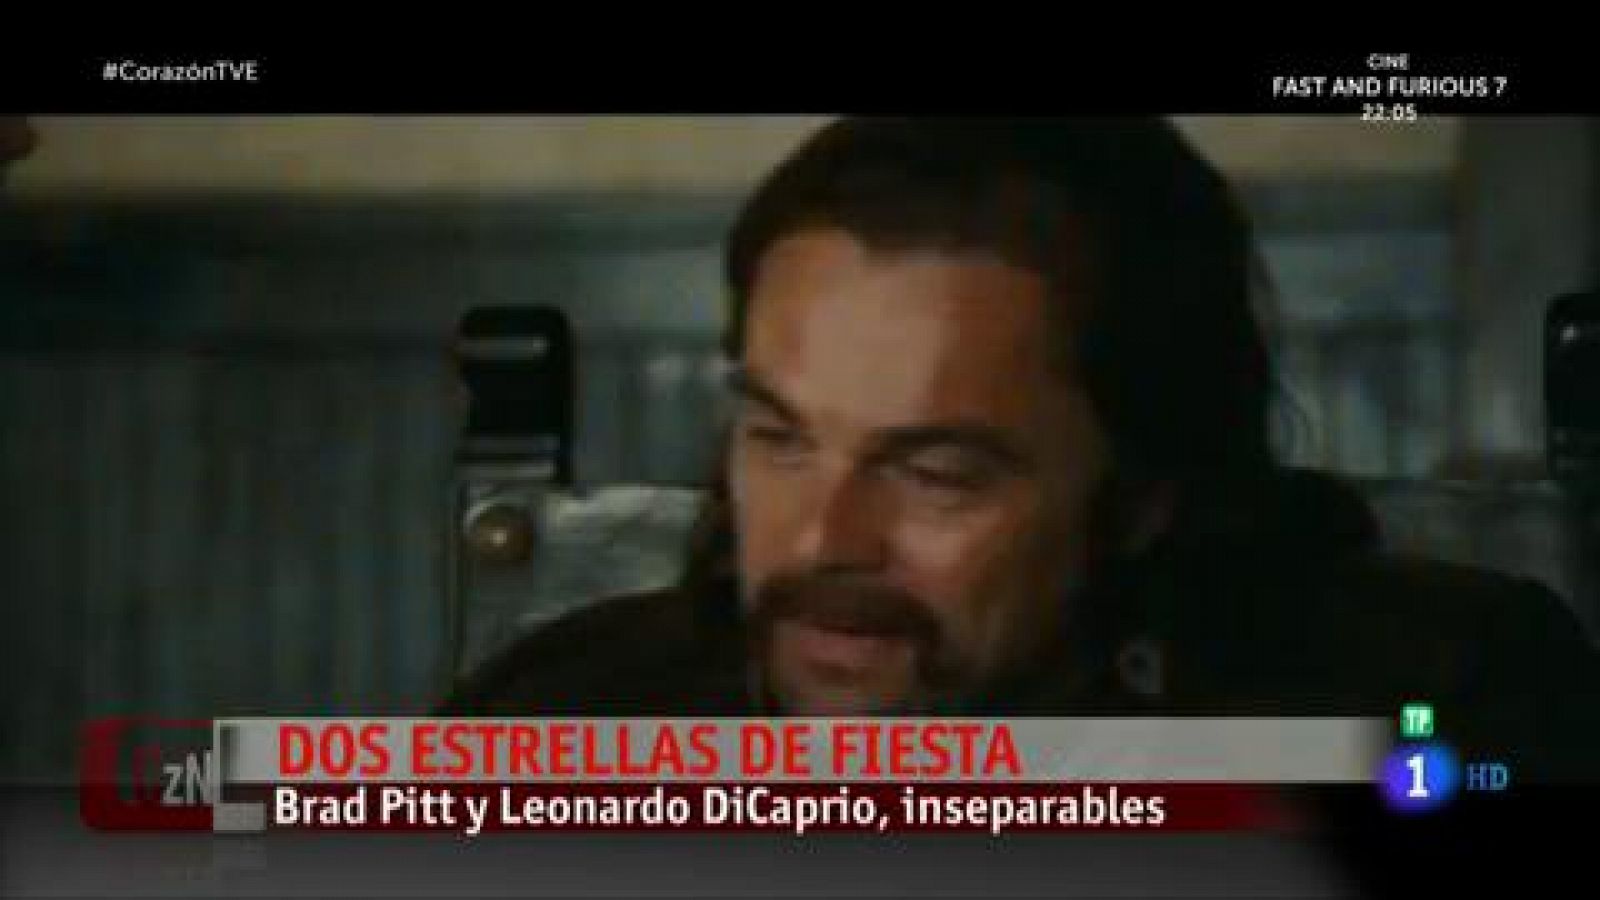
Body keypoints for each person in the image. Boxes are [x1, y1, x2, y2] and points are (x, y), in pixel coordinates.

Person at [440, 117, 1598, 782]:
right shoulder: (570, 722)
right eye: (780, 438)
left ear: (1141, 494)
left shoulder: (1427, 706)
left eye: (935, 472)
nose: (823, 541)